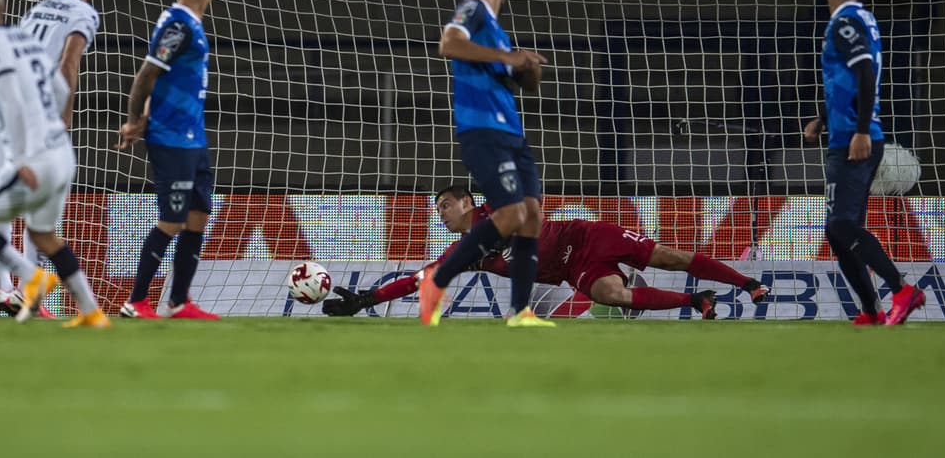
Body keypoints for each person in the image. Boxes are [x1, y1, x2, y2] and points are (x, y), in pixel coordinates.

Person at [325, 186, 768, 319]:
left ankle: (746, 282)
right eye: (436, 209)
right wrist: (368, 299)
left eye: (444, 205)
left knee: (669, 257)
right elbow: (423, 279)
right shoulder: (467, 251)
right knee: (611, 295)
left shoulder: (495, 210)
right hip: (573, 269)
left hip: (584, 236)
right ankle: (696, 301)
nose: (440, 214)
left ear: (466, 203)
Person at [0, 0, 108, 328]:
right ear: (2, 9)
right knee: (44, 235)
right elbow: (60, 90)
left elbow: (13, 102)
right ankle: (90, 311)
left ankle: (28, 277)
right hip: (61, 152)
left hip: (31, 158)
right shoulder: (25, 39)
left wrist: (20, 159)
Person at [419, 0, 552, 328]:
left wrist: (527, 65)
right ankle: (437, 281)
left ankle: (520, 312)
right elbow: (448, 43)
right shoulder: (473, 8)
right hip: (483, 131)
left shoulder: (496, 33)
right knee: (510, 215)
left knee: (532, 218)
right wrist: (507, 56)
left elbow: (528, 84)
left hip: (513, 135)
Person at [803, 0, 925, 326]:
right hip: (847, 133)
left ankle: (902, 289)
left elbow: (866, 74)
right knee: (840, 232)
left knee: (841, 227)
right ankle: (872, 311)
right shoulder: (862, 18)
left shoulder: (843, 23)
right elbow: (845, 79)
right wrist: (822, 119)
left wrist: (857, 132)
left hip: (854, 141)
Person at [0, 0, 100, 317]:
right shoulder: (83, 14)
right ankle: (25, 291)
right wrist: (64, 113)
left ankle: (6, 288)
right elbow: (69, 60)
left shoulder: (36, 10)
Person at [116, 0, 222, 320]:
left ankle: (178, 302)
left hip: (193, 136)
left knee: (198, 216)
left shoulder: (187, 23)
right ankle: (136, 300)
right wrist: (135, 121)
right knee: (173, 219)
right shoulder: (178, 25)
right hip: (171, 135)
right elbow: (146, 74)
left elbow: (160, 78)